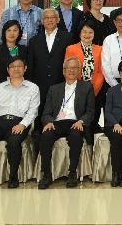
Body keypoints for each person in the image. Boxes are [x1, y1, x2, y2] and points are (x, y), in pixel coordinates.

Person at [0, 56, 40, 190]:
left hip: (18, 122)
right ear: (8, 70)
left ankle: (13, 177)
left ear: (25, 68)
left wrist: (23, 124)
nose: (16, 69)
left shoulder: (33, 88)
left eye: (19, 66)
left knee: (14, 142)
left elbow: (33, 111)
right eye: (13, 66)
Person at [37, 57, 95, 189]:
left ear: (79, 71)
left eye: (74, 68)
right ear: (63, 71)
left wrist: (81, 121)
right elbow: (46, 112)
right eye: (68, 68)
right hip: (56, 123)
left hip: (75, 122)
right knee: (45, 136)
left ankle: (72, 173)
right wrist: (49, 122)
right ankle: (46, 174)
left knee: (75, 136)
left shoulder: (86, 87)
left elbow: (91, 111)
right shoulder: (54, 89)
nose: (71, 70)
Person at [27, 8, 72, 135]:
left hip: (60, 84)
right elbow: (30, 65)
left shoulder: (67, 37)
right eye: (46, 18)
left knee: (60, 117)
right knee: (39, 123)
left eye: (52, 17)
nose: (49, 20)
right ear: (42, 21)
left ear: (58, 20)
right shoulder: (34, 40)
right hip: (39, 86)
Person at [64, 22, 105, 137]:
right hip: (76, 90)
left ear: (94, 34)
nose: (87, 35)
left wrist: (93, 90)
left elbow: (101, 71)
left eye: (90, 32)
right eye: (84, 32)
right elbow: (68, 70)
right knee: (76, 121)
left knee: (91, 122)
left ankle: (90, 147)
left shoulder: (100, 49)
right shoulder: (71, 48)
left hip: (95, 90)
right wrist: (79, 88)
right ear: (80, 33)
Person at [0, 20, 27, 95]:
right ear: (4, 32)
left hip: (21, 91)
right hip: (3, 91)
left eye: (15, 30)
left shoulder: (24, 50)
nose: (12, 33)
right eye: (9, 30)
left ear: (19, 33)